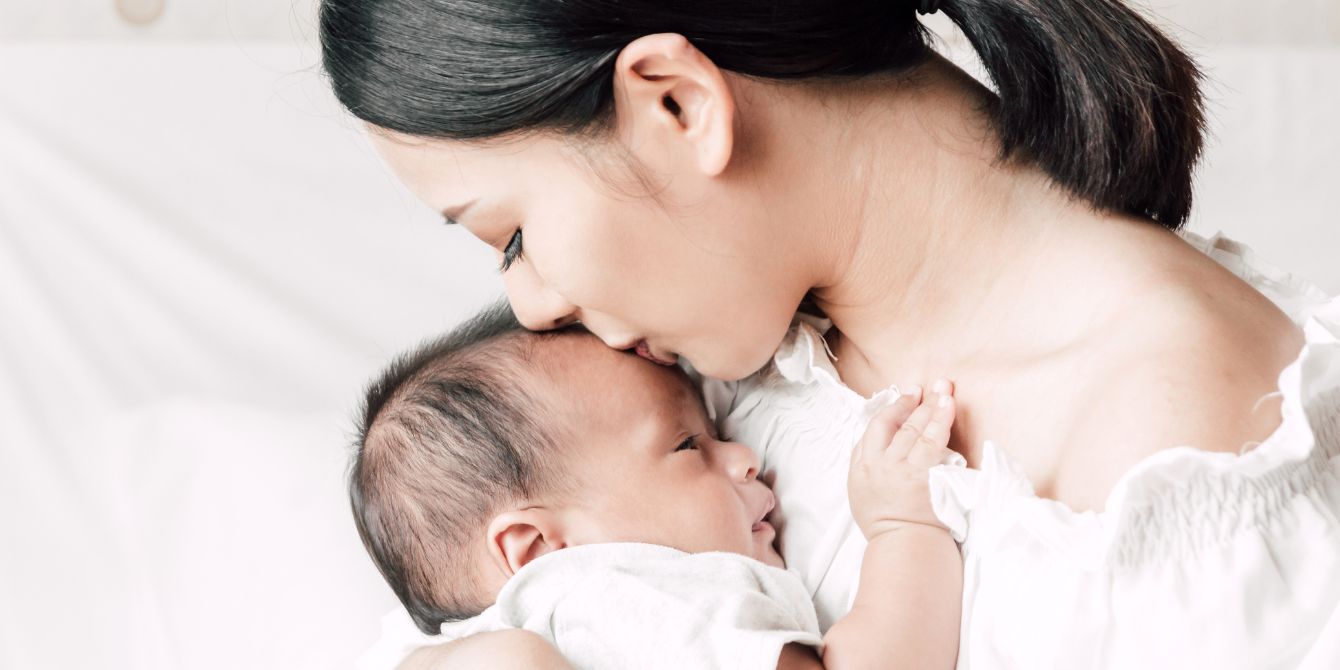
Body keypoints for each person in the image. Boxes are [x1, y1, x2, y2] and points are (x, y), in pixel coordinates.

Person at [319, 0, 1340, 666]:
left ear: (676, 104)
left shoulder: (1172, 442)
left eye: (512, 235)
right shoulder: (725, 362)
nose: (532, 307)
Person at [349, 303, 963, 669]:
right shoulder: (630, 595)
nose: (746, 457)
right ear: (537, 549)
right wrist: (902, 525)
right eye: (687, 445)